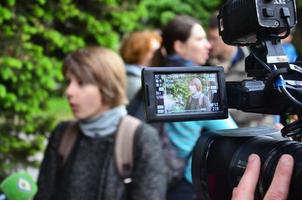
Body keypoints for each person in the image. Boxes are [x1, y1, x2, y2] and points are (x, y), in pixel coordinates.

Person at [34, 47, 167, 200]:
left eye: (81, 83)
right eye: (68, 82)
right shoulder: (63, 134)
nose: (69, 91)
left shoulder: (140, 137)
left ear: (107, 87)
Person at [152, 15, 238, 200]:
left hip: (160, 172)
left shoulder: (157, 75)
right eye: (200, 39)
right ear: (179, 46)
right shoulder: (193, 79)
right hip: (186, 178)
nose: (208, 45)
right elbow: (231, 131)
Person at [207, 12, 275, 128]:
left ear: (228, 37)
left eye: (214, 39)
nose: (210, 44)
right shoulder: (205, 64)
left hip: (257, 130)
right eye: (209, 38)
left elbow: (268, 105)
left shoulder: (257, 64)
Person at [120, 30, 162, 101]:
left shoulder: (125, 74)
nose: (159, 55)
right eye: (153, 52)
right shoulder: (136, 82)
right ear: (138, 52)